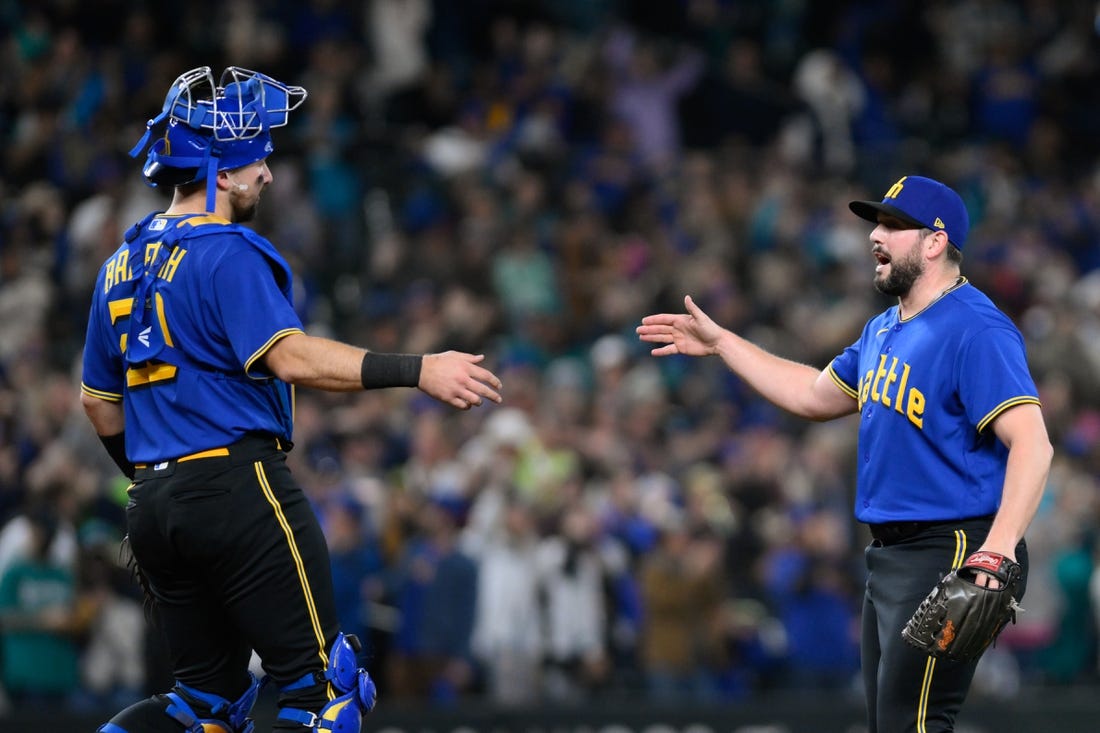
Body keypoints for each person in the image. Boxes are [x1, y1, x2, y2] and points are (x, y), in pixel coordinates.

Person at [80, 66, 503, 733]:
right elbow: (290, 356)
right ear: (220, 169)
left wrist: (157, 482)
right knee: (326, 693)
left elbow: (98, 404)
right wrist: (417, 368)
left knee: (202, 703)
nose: (268, 174)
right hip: (236, 486)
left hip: (152, 503)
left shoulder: (118, 263)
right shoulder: (227, 249)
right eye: (256, 160)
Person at [637, 175, 1052, 732]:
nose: (875, 236)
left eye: (892, 225)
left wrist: (998, 551)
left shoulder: (975, 327)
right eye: (875, 223)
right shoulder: (885, 328)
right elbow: (814, 396)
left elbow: (1033, 442)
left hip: (954, 546)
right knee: (893, 724)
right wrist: (723, 345)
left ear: (934, 241)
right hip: (891, 555)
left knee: (916, 724)